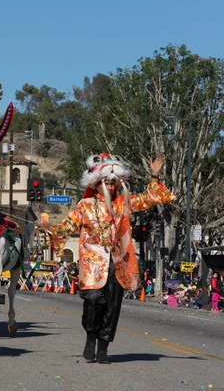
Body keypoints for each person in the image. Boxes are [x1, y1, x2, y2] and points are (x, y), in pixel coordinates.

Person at [41, 153, 174, 364]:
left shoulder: (123, 203)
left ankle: (103, 347)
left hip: (118, 262)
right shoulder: (85, 206)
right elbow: (67, 226)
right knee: (94, 300)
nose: (111, 187)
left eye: (113, 183)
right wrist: (51, 229)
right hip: (93, 261)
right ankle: (91, 336)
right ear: (96, 183)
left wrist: (154, 175)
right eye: (106, 182)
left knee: (113, 305)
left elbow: (149, 199)